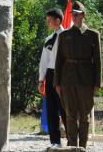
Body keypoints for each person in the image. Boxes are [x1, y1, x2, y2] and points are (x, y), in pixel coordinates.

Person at [54, 1, 101, 148]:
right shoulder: (65, 35)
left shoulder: (93, 35)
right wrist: (57, 82)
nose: (74, 16)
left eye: (77, 13)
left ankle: (83, 147)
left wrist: (97, 82)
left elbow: (97, 61)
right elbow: (59, 60)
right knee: (70, 115)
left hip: (86, 79)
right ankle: (72, 146)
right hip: (67, 79)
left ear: (83, 15)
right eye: (72, 14)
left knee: (85, 116)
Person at [38, 8, 67, 148]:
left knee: (65, 108)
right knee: (51, 109)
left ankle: (72, 140)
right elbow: (44, 60)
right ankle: (55, 142)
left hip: (64, 75)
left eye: (50, 21)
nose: (48, 23)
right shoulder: (49, 39)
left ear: (58, 20)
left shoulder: (67, 36)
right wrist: (41, 79)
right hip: (50, 75)